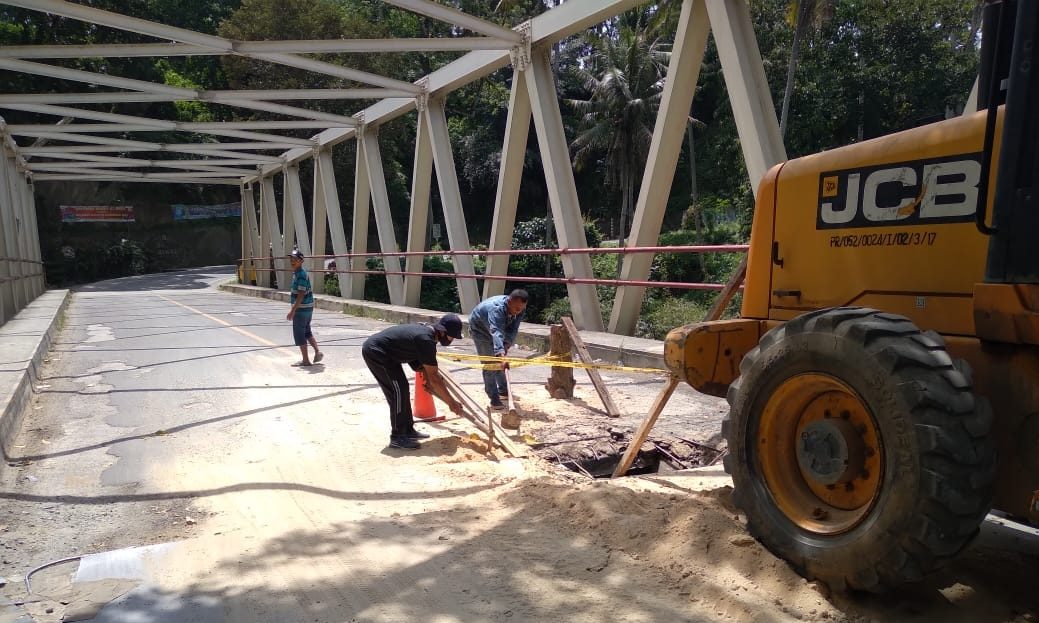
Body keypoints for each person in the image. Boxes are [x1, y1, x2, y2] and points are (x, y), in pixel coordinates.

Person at [362, 314, 465, 450]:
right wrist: (451, 402)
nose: (451, 339)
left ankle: (408, 430)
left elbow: (421, 365)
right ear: (442, 331)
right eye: (452, 336)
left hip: (390, 355)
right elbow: (434, 377)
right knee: (397, 391)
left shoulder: (427, 336)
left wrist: (428, 381)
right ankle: (398, 437)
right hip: (376, 352)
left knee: (403, 388)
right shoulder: (425, 339)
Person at [468, 289, 528, 410]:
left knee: (500, 361)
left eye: (521, 308)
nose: (519, 311)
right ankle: (493, 397)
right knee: (490, 363)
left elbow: (513, 329)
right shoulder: (496, 309)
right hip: (480, 330)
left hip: (498, 328)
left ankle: (503, 390)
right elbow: (496, 332)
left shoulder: (519, 309)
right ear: (509, 302)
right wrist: (500, 352)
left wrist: (506, 344)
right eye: (516, 308)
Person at [286, 249, 324, 367]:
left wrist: (293, 310)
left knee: (300, 334)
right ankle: (317, 352)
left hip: (301, 309)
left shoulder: (301, 274)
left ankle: (305, 360)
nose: (292, 261)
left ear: (301, 261)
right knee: (307, 331)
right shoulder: (298, 273)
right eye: (291, 259)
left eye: (295, 259)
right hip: (307, 308)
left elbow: (301, 294)